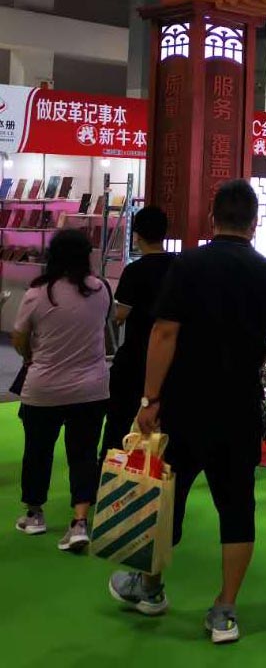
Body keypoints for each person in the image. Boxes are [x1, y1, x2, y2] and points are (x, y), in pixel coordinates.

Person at [109, 180, 266, 646]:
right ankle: (225, 610)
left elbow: (164, 333)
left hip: (184, 405)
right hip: (239, 407)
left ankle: (150, 588)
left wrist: (149, 400)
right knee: (237, 507)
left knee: (167, 498)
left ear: (212, 218)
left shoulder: (187, 265)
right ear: (254, 222)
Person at [12, 229, 112, 552]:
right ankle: (79, 522)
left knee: (37, 451)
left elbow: (19, 337)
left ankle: (34, 514)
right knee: (84, 454)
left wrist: (31, 355)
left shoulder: (37, 293)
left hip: (43, 388)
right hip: (91, 389)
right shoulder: (101, 290)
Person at [100, 207, 176, 461]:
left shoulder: (134, 271)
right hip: (172, 358)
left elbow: (121, 314)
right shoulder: (180, 267)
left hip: (135, 356)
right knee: (168, 428)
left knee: (118, 422)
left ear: (137, 235)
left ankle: (109, 471)